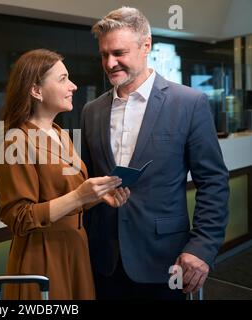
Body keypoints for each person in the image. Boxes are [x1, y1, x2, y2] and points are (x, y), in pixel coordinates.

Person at [81, 7, 229, 300]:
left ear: (146, 45)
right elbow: (88, 180)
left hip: (166, 259)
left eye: (119, 52)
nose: (110, 63)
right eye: (104, 55)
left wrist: (202, 247)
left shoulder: (189, 103)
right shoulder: (91, 111)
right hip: (104, 261)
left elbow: (213, 182)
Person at [0, 49, 130, 300]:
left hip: (76, 248)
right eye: (63, 79)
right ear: (36, 91)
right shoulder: (14, 141)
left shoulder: (60, 134)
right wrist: (79, 197)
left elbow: (68, 199)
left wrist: (98, 196)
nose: (74, 86)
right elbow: (18, 218)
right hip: (43, 255)